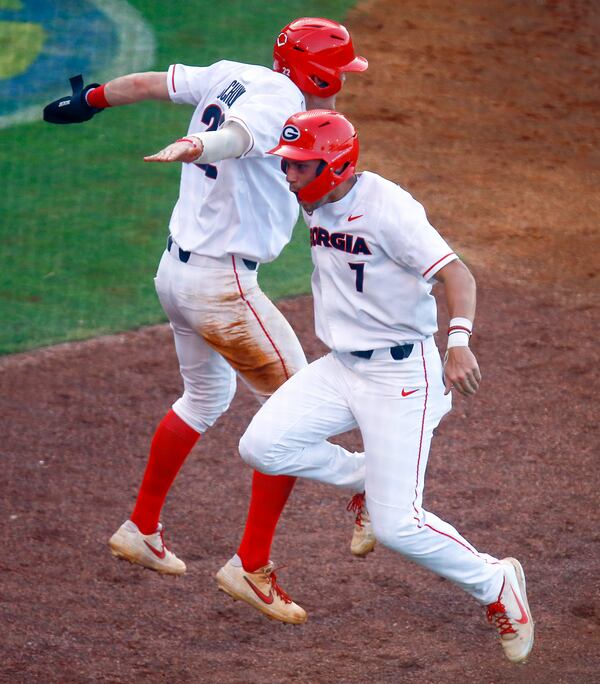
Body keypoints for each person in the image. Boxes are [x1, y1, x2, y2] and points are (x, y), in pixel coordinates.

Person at [43, 19, 370, 624]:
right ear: (321, 75)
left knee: (205, 397)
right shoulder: (282, 110)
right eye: (341, 74)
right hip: (222, 286)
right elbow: (239, 138)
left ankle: (141, 528)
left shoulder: (232, 75)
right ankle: (257, 561)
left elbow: (148, 83)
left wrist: (87, 100)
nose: (343, 84)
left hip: (174, 274)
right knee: (295, 418)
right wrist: (196, 147)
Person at [238, 110, 535, 663]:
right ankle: (367, 482)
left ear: (334, 165)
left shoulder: (389, 209)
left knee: (399, 527)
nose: (289, 176)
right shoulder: (314, 195)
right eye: (287, 165)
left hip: (402, 375)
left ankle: (495, 583)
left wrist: (460, 341)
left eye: (299, 167)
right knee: (262, 447)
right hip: (341, 366)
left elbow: (457, 274)